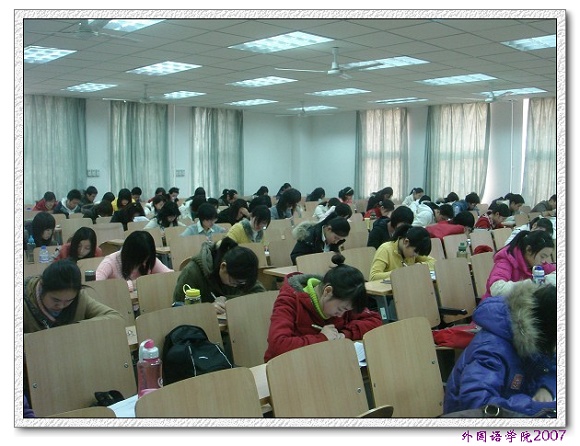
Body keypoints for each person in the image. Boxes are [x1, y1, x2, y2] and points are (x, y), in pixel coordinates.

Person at [443, 281, 557, 417]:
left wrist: (547, 387)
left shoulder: (534, 332)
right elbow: (477, 403)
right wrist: (535, 407)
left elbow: (554, 365)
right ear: (547, 333)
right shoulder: (492, 350)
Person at [264, 253, 382, 362]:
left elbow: (375, 321)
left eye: (346, 310)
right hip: (291, 366)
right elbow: (278, 345)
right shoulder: (289, 301)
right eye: (340, 309)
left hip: (325, 361)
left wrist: (344, 334)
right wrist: (322, 338)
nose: (341, 315)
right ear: (328, 291)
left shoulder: (345, 299)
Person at [24, 260, 123, 333]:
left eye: (68, 301)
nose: (61, 306)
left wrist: (74, 328)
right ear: (42, 288)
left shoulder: (80, 299)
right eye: (56, 300)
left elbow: (115, 318)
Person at [172, 237, 266, 314]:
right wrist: (208, 309)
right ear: (223, 267)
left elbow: (260, 294)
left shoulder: (241, 272)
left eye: (241, 283)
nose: (236, 285)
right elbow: (178, 307)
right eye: (234, 281)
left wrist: (227, 301)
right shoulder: (192, 272)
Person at [482, 230, 556, 301]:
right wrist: (532, 283)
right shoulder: (505, 261)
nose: (543, 261)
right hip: (497, 305)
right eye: (542, 256)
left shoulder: (536, 262)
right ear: (529, 250)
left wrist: (546, 280)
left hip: (519, 304)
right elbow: (497, 288)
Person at [95, 230, 173, 292]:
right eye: (141, 260)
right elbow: (95, 285)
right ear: (131, 254)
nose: (144, 263)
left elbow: (169, 275)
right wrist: (133, 285)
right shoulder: (110, 262)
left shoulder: (148, 259)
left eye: (146, 259)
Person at [369, 224, 436, 281]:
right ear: (406, 242)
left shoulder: (413, 250)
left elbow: (433, 262)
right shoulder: (385, 249)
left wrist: (419, 266)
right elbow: (373, 277)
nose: (416, 255)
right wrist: (401, 272)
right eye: (415, 252)